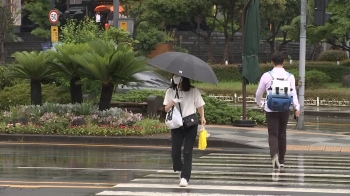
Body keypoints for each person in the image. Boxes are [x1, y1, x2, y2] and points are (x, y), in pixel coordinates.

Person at [255, 52, 300, 169]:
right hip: (285, 108)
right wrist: (297, 107)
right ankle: (282, 160)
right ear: (283, 62)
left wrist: (260, 103)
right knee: (282, 133)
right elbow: (293, 93)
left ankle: (274, 155)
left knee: (273, 133)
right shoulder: (290, 76)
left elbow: (259, 93)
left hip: (270, 108)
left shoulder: (267, 75)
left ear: (272, 62)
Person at [163, 74, 206, 187]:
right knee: (175, 153)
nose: (176, 78)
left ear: (184, 78)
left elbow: (200, 105)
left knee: (187, 152)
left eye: (178, 76)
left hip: (190, 123)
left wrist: (202, 117)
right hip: (176, 124)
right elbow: (166, 109)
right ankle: (180, 168)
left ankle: (185, 177)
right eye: (174, 76)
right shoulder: (170, 91)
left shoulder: (193, 91)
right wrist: (172, 103)